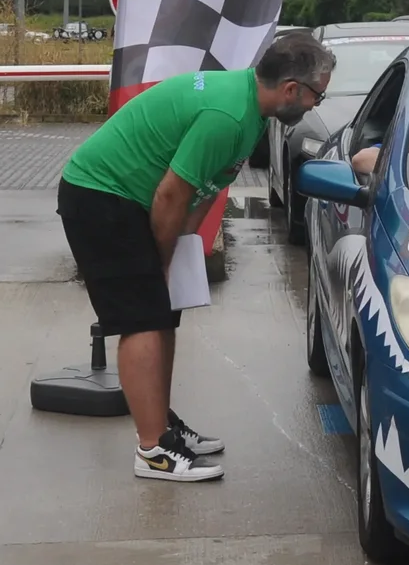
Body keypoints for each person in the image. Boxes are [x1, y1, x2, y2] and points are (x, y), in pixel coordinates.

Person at [56, 31, 336, 480]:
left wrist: (182, 251)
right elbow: (171, 196)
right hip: (100, 196)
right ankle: (152, 452)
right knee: (142, 318)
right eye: (316, 95)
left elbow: (208, 186)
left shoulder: (251, 110)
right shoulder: (227, 115)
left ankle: (162, 427)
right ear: (291, 89)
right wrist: (161, 262)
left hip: (129, 199)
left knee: (161, 314)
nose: (315, 105)